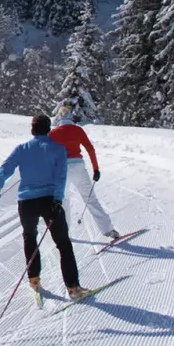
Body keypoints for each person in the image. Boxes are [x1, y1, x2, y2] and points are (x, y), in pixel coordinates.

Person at [0, 113, 84, 299]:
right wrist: (57, 200)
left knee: (30, 238)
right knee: (63, 244)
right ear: (49, 130)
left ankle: (34, 279)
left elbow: (5, 169)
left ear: (32, 130)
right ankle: (73, 288)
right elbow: (60, 178)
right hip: (49, 201)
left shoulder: (22, 149)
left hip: (26, 203)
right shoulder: (58, 149)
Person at [50, 101, 120, 241]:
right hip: (78, 167)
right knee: (90, 199)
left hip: (62, 170)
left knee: (63, 201)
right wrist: (96, 169)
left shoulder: (53, 133)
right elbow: (90, 149)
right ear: (71, 116)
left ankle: (64, 233)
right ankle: (108, 230)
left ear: (59, 117)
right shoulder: (78, 130)